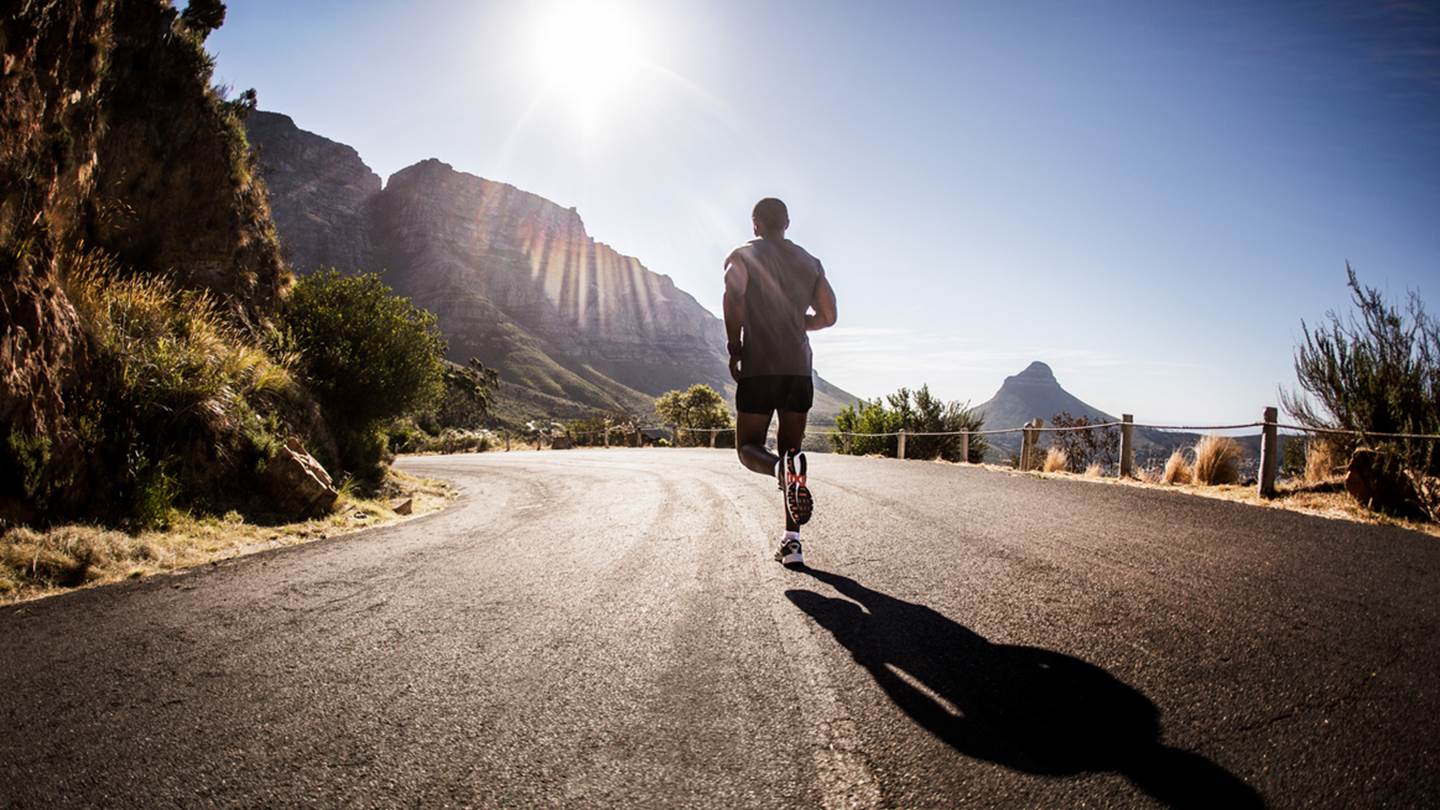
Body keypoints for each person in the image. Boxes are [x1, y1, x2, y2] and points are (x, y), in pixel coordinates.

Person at [723, 197, 838, 567]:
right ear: (787, 223)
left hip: (759, 366)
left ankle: (776, 469)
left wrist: (735, 346)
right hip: (798, 370)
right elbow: (828, 316)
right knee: (792, 452)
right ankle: (792, 544)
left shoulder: (742, 255)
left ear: (755, 223)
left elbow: (732, 298)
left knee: (748, 448)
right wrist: (794, 321)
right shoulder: (811, 262)